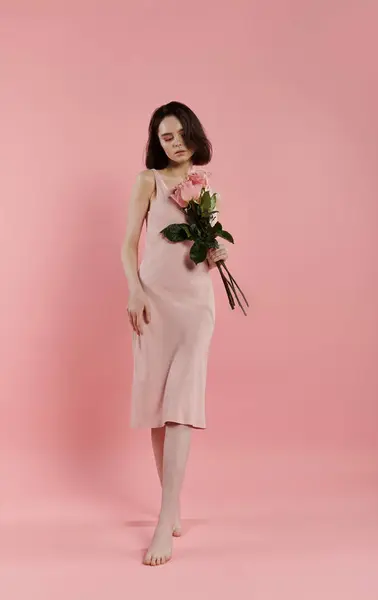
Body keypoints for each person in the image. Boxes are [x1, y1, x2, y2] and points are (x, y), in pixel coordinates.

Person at [120, 101, 228, 566]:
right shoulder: (149, 180)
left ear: (193, 134)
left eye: (181, 133)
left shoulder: (205, 186)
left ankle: (165, 517)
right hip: (154, 304)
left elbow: (202, 246)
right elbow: (128, 244)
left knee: (181, 402)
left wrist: (217, 252)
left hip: (195, 307)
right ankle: (172, 500)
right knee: (158, 405)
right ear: (157, 142)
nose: (176, 142)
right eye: (166, 137)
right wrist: (134, 292)